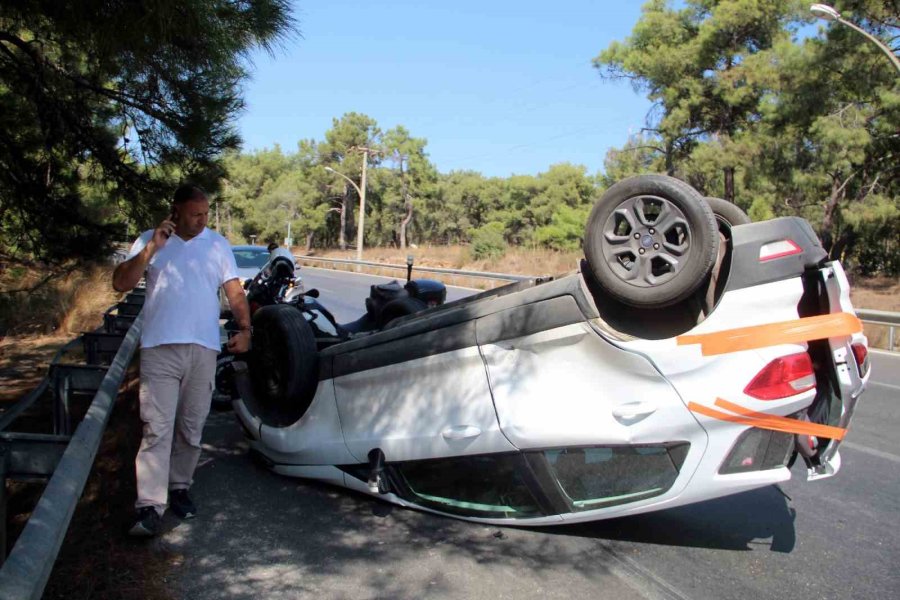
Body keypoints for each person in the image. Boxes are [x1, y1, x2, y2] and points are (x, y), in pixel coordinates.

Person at [113, 184, 251, 537]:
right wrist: (151, 249)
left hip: (203, 349)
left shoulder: (217, 244)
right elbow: (120, 283)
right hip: (160, 348)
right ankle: (149, 505)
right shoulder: (150, 240)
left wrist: (246, 328)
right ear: (176, 211)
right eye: (195, 214)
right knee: (156, 427)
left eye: (206, 213)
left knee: (191, 427)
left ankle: (179, 488)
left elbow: (234, 290)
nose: (203, 220)